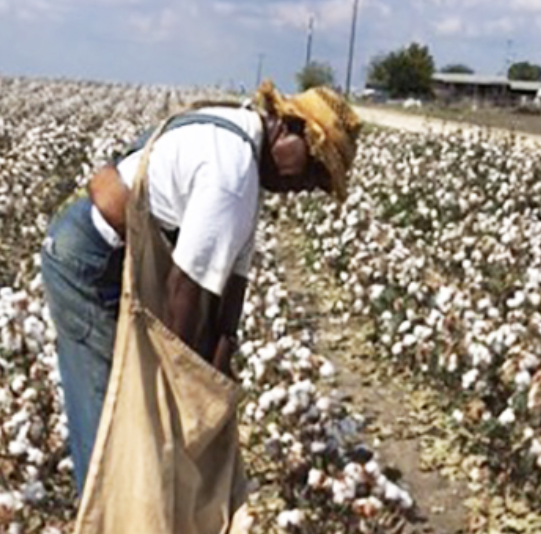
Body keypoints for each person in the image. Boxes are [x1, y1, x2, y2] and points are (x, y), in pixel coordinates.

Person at [40, 80, 362, 492]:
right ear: (288, 129)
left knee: (132, 418)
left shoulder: (240, 137)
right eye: (315, 166)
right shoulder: (233, 173)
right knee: (112, 420)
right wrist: (183, 387)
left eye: (321, 180)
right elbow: (185, 290)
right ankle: (107, 515)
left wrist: (221, 355)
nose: (308, 185)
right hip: (87, 263)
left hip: (108, 256)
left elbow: (231, 283)